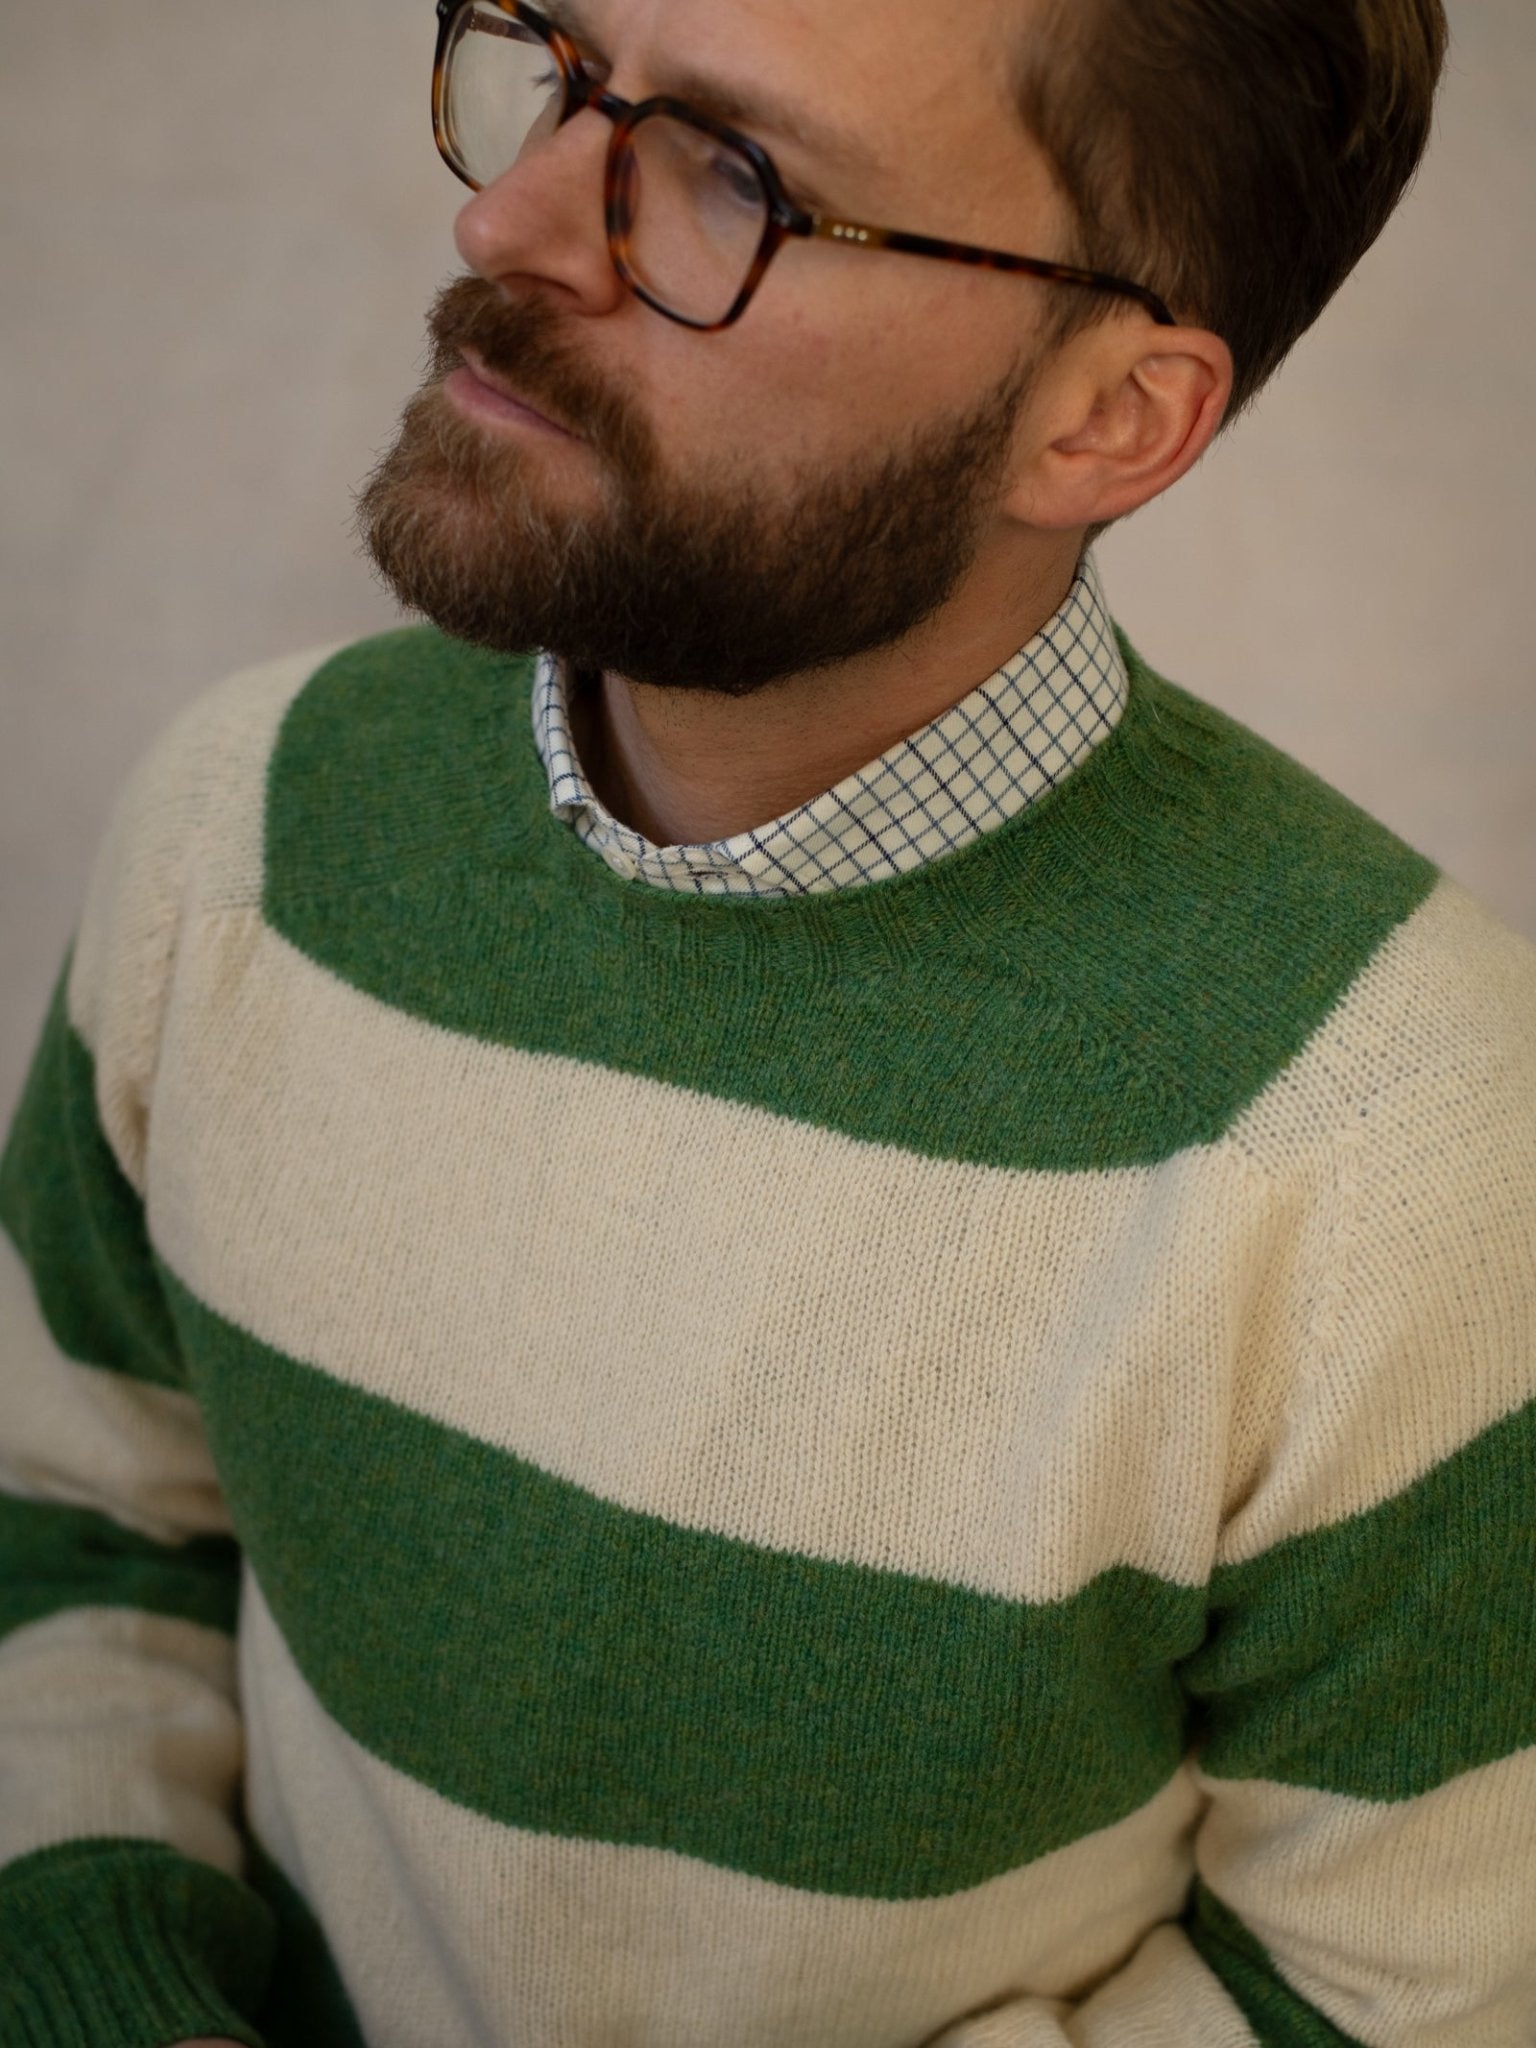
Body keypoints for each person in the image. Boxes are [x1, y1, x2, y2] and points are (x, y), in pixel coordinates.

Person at [2, 0, 1531, 2041]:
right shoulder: (243, 825)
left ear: (1107, 417)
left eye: (739, 179)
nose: (515, 226)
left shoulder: (1407, 1152)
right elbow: (76, 1522)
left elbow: (1385, 1992)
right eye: (559, 62)